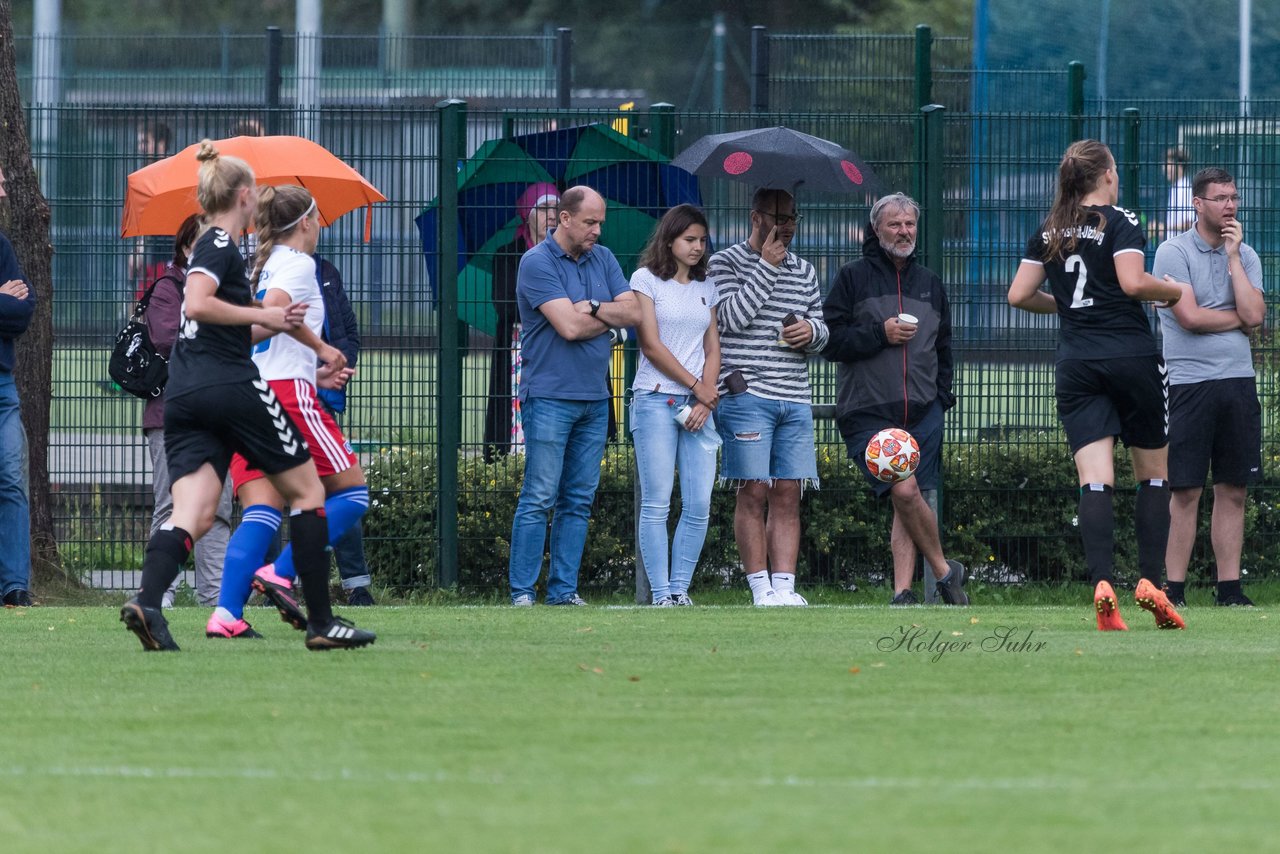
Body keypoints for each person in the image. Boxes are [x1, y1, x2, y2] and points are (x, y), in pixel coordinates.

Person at [119, 141, 374, 651]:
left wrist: (316, 347)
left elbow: (246, 322)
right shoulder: (216, 241)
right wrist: (264, 315)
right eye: (254, 188)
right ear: (241, 195)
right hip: (229, 386)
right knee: (308, 493)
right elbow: (197, 304)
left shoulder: (233, 252)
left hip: (186, 395)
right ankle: (322, 623)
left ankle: (147, 601)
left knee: (196, 511)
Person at [1008, 138, 1187, 632]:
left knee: (1095, 478)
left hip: (1077, 362)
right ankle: (1151, 582)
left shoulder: (1050, 228)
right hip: (1130, 356)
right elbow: (1133, 284)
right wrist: (1173, 291)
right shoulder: (1121, 220)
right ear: (1107, 173)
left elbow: (1019, 295)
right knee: (1153, 473)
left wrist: (1067, 307)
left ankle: (1102, 582)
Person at [206, 185, 372, 639]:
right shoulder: (298, 264)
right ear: (305, 223)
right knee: (353, 494)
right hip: (287, 398)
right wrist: (319, 352)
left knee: (261, 508)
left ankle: (226, 614)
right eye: (318, 220)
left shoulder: (261, 264)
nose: (319, 229)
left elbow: (269, 334)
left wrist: (314, 367)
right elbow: (267, 322)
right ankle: (281, 572)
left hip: (251, 392)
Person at [822, 192, 968, 606]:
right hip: (867, 412)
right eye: (894, 224)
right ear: (876, 229)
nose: (904, 231)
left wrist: (941, 399)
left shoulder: (931, 284)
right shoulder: (852, 277)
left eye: (910, 224)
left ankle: (902, 592)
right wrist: (878, 334)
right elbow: (830, 341)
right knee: (904, 492)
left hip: (924, 412)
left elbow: (944, 348)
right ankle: (944, 570)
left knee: (909, 498)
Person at [507, 186, 640, 606]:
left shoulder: (605, 257)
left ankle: (563, 592)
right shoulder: (535, 262)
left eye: (600, 222)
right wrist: (607, 316)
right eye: (590, 222)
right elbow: (568, 327)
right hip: (548, 396)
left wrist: (593, 308)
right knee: (540, 496)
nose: (598, 230)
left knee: (578, 500)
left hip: (595, 398)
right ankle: (522, 592)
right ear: (564, 219)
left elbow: (635, 312)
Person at [709, 188, 829, 607]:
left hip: (794, 396)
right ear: (755, 217)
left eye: (793, 217)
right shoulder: (723, 262)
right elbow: (731, 320)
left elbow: (822, 327)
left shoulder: (806, 271)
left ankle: (785, 587)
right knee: (753, 491)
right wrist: (765, 267)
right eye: (780, 217)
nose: (788, 226)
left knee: (787, 493)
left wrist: (811, 334)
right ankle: (760, 589)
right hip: (747, 395)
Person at [1153, 167, 1264, 607]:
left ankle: (1229, 590)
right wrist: (1236, 319)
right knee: (1185, 491)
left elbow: (1255, 315)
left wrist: (1234, 258)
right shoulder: (1171, 252)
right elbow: (1190, 318)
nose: (1230, 206)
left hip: (1238, 382)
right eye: (1220, 198)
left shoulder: (1247, 254)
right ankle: (1173, 590)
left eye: (1233, 197)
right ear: (1197, 203)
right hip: (1189, 384)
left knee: (1233, 488)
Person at [629, 204, 720, 607]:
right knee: (658, 501)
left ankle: (680, 590)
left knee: (699, 501)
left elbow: (713, 347)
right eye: (689, 240)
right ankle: (661, 595)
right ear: (669, 240)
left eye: (702, 240)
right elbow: (650, 344)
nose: (698, 247)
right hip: (655, 399)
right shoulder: (645, 280)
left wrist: (706, 394)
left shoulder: (707, 287)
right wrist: (696, 386)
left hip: (699, 404)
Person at [142, 213, 232, 609]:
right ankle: (158, 593)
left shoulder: (226, 289)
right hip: (171, 413)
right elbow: (165, 339)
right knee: (171, 504)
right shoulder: (168, 287)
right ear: (184, 248)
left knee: (220, 507)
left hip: (219, 413)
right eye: (203, 243)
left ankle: (215, 596)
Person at [315, 254, 376, 606]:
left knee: (344, 490)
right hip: (283, 402)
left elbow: (349, 333)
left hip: (324, 401)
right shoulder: (265, 272)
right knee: (273, 498)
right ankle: (274, 582)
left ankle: (356, 584)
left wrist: (338, 362)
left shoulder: (326, 272)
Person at [485, 183, 560, 461]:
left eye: (557, 208)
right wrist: (558, 308)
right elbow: (505, 306)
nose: (551, 216)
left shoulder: (574, 252)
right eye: (543, 209)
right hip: (519, 346)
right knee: (517, 414)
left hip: (565, 345)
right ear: (526, 214)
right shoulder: (507, 254)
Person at [0, 164, 34, 608]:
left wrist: (8, 302)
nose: (5, 189)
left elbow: (23, 312)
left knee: (11, 479)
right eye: (0, 180)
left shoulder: (3, 247)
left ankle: (14, 586)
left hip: (3, 386)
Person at [1149, 147, 1194, 243]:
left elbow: (1190, 223)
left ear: (1180, 165)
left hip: (1181, 246)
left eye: (1169, 164)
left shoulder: (1184, 190)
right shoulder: (1177, 187)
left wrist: (1162, 227)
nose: (1164, 168)